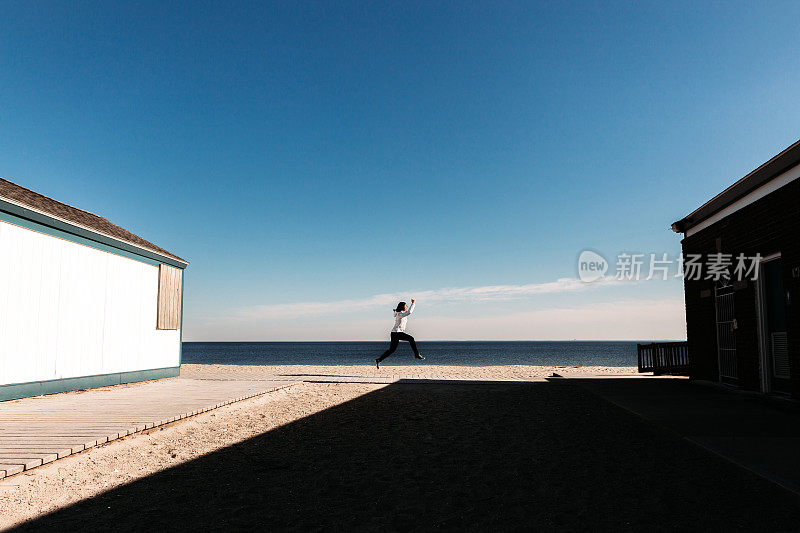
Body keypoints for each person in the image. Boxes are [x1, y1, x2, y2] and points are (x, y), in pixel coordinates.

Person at [375, 299, 424, 369]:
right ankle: (416, 355)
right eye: (405, 306)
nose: (406, 307)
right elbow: (409, 312)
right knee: (411, 339)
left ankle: (379, 360)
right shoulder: (400, 314)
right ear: (402, 307)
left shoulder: (399, 313)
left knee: (392, 350)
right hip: (397, 333)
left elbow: (398, 313)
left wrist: (395, 311)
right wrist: (413, 303)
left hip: (394, 333)